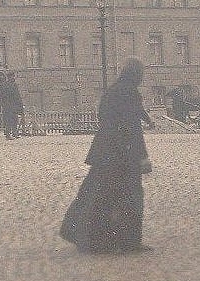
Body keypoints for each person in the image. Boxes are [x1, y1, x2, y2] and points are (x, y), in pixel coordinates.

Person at [60, 58, 153, 254]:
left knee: (96, 195)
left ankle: (81, 234)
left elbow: (104, 116)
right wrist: (142, 156)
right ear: (136, 75)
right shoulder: (131, 93)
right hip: (124, 155)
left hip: (104, 152)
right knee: (131, 197)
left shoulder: (112, 91)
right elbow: (133, 128)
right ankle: (129, 242)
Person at [0, 72, 24, 140]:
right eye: (12, 77)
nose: (13, 78)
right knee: (8, 120)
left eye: (13, 76)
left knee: (15, 119)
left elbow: (18, 96)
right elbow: (2, 95)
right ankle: (8, 134)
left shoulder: (13, 85)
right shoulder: (5, 85)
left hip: (13, 105)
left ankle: (14, 133)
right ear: (9, 77)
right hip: (8, 105)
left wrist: (20, 104)